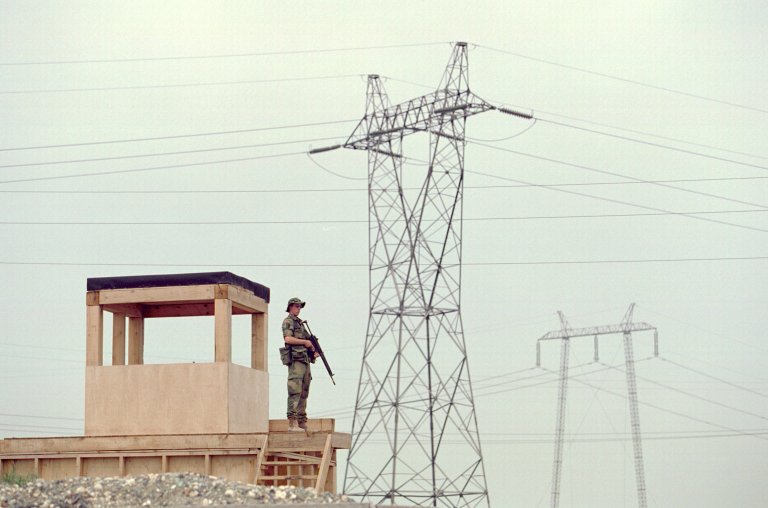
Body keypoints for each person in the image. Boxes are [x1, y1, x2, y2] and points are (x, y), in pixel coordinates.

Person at [281, 297, 318, 432]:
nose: (299, 309)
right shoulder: (288, 321)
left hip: (304, 359)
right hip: (296, 360)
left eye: (300, 307)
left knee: (304, 390)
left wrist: (314, 350)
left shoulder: (301, 324)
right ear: (290, 307)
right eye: (296, 306)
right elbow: (288, 338)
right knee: (294, 390)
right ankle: (292, 422)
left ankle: (302, 421)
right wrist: (304, 343)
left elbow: (309, 339)